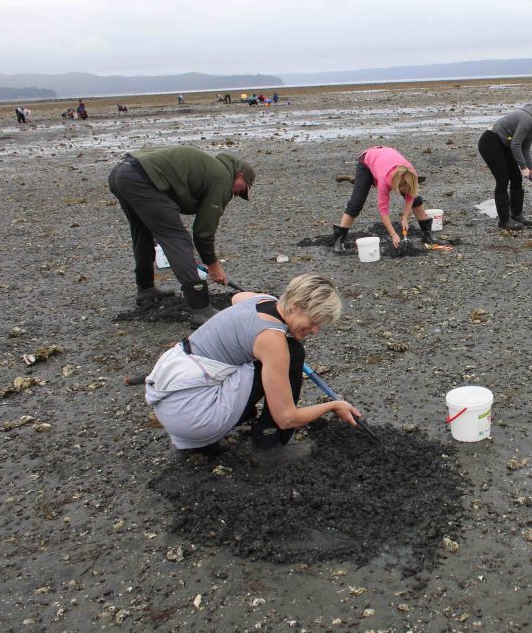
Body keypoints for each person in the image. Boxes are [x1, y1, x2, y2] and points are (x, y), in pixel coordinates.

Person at [144, 272, 360, 453]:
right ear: (293, 306)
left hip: (171, 398)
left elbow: (237, 298)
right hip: (193, 415)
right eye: (312, 322)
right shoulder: (271, 339)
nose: (315, 331)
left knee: (267, 353)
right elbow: (287, 417)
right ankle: (269, 438)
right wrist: (333, 405)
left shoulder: (262, 300)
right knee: (292, 352)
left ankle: (233, 421)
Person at [107, 145, 256, 327]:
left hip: (122, 174)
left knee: (143, 233)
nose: (238, 193)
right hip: (141, 178)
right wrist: (213, 265)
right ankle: (201, 309)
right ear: (240, 175)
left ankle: (146, 289)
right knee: (178, 239)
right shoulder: (222, 178)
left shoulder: (210, 167)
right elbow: (203, 232)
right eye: (243, 189)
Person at [330, 146, 440, 253]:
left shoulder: (411, 175)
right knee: (356, 203)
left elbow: (410, 195)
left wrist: (405, 218)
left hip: (386, 156)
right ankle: (339, 241)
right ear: (395, 185)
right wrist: (393, 235)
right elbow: (383, 211)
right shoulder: (384, 181)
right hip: (368, 160)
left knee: (416, 198)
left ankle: (427, 234)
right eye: (403, 189)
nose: (406, 191)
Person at [477, 100, 532, 230]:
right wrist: (523, 167)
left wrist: (531, 168)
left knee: (516, 178)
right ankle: (504, 221)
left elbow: (525, 148)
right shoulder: (527, 119)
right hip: (490, 142)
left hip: (504, 144)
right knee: (503, 179)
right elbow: (515, 144)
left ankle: (516, 215)